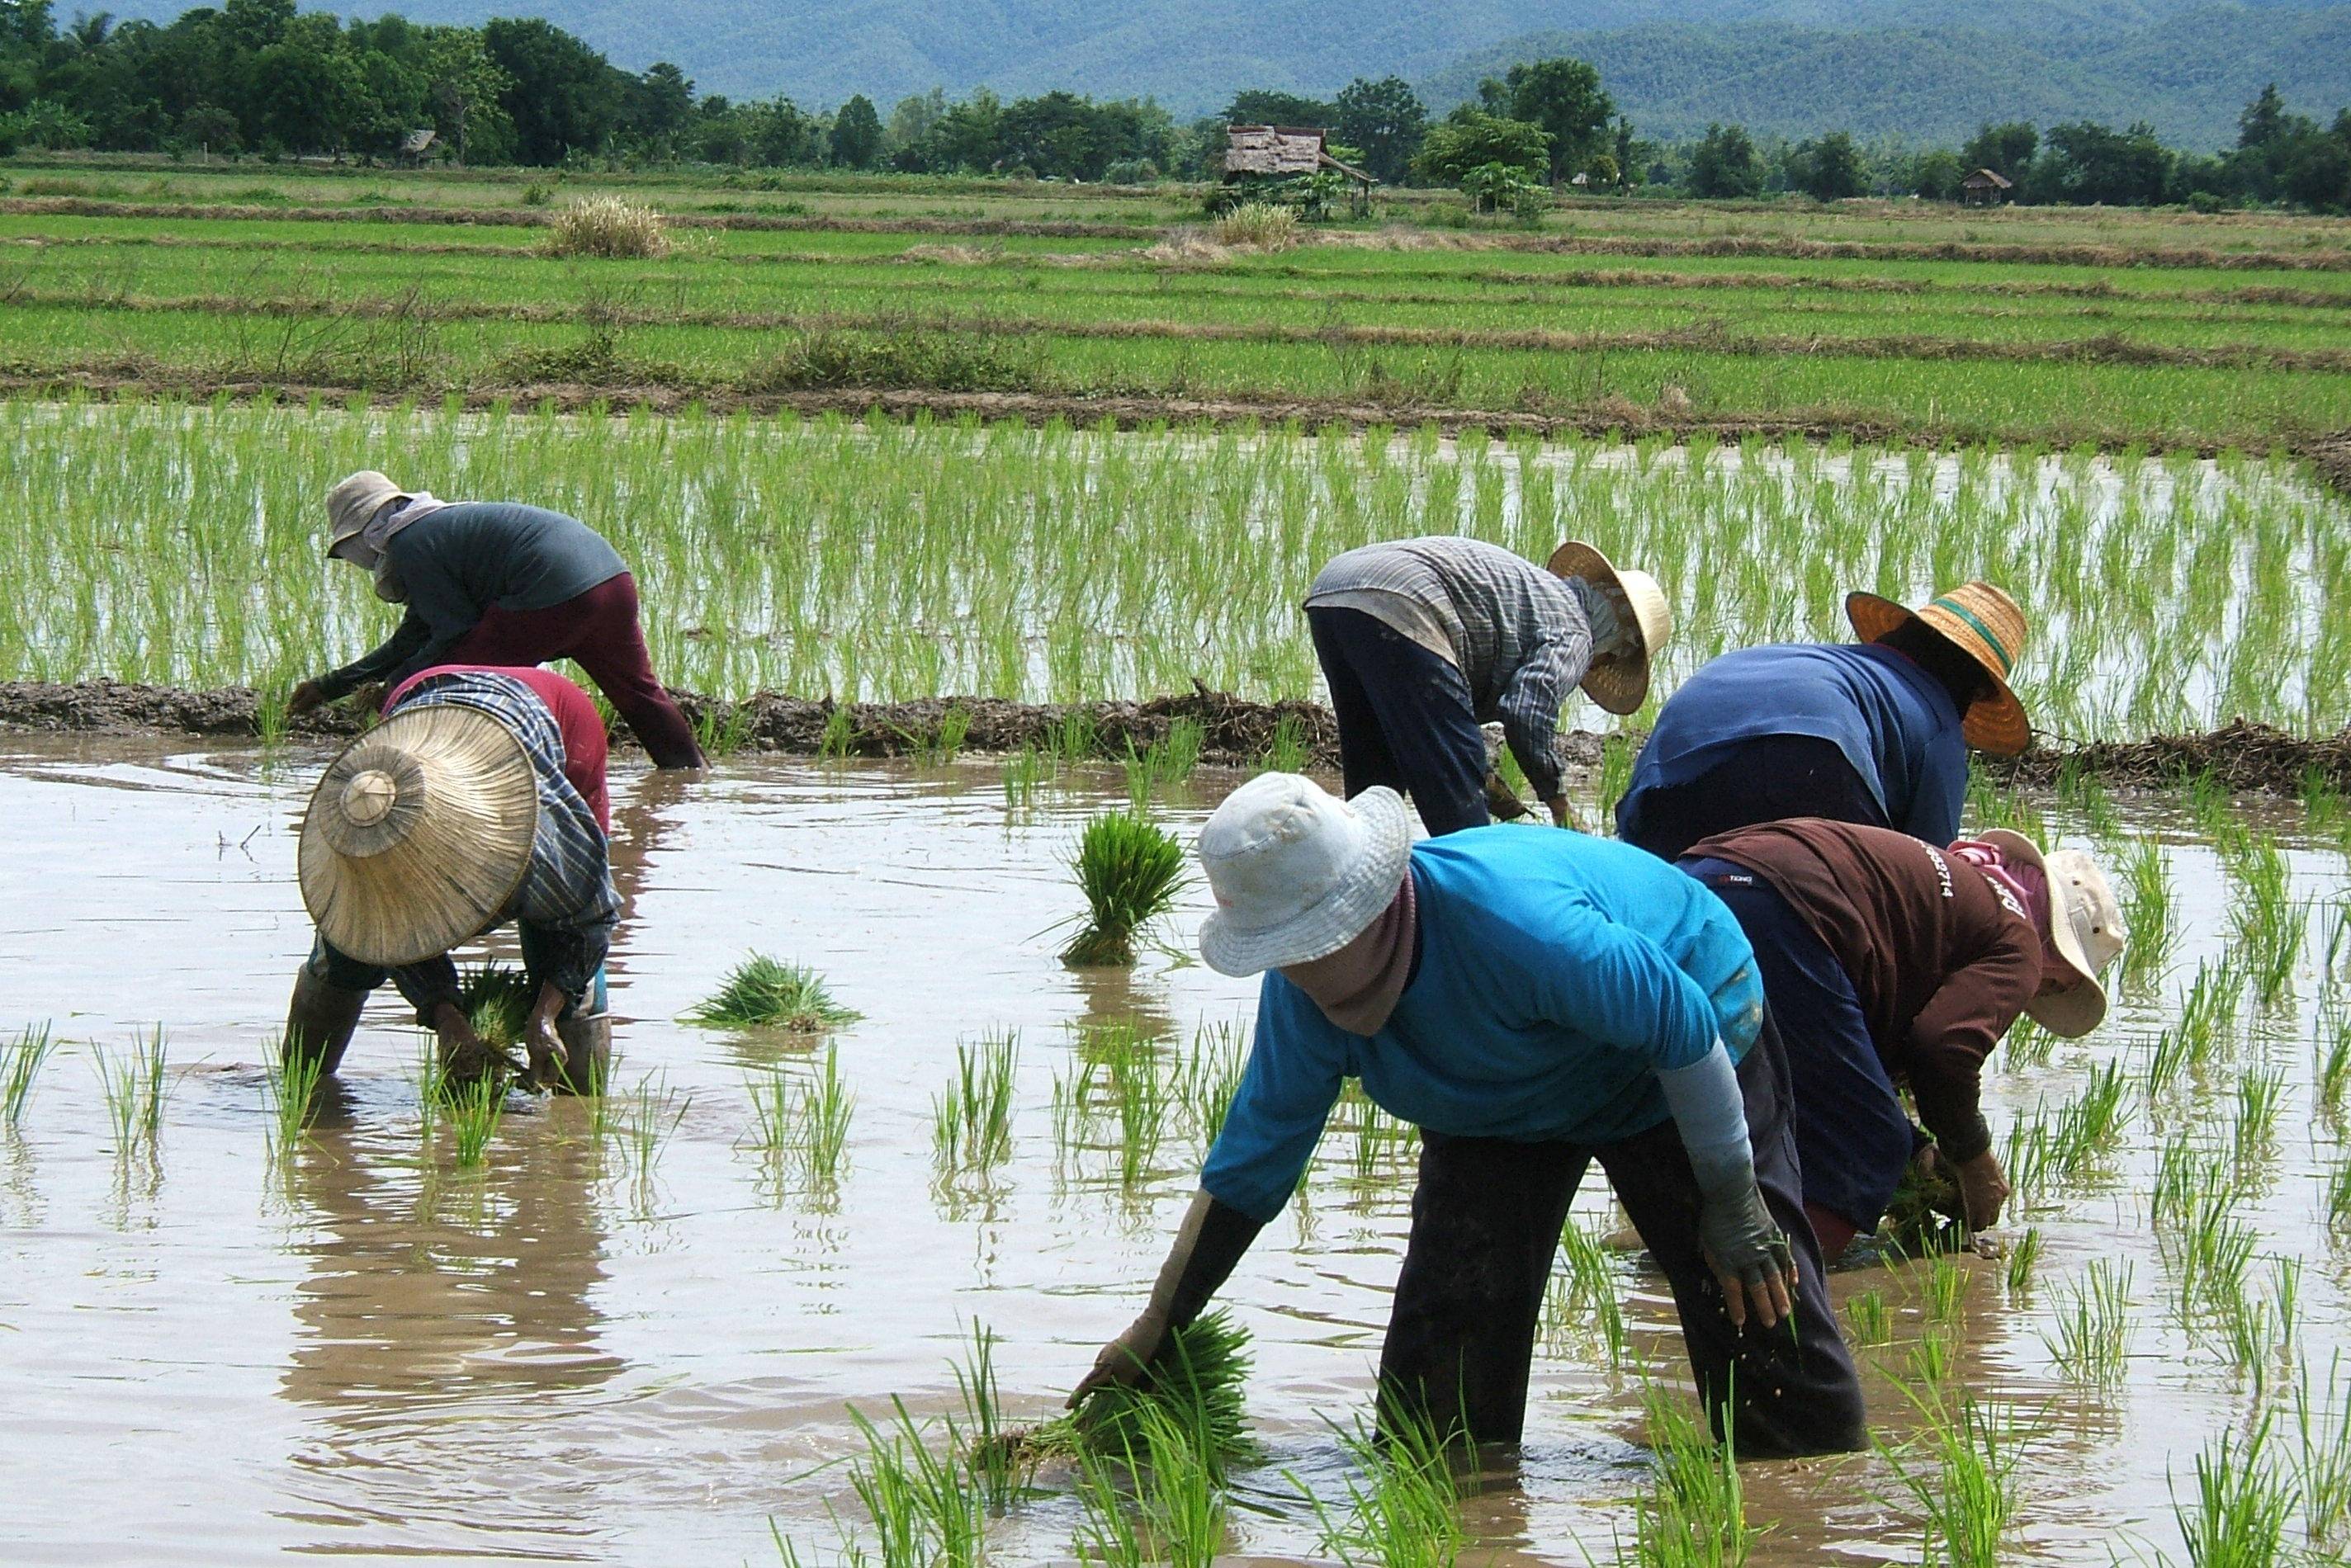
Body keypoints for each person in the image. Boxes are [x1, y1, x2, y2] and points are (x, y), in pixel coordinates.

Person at [1071, 773, 1866, 1457]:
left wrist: (1731, 1198)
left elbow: (1682, 1025)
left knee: (1756, 1306)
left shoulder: (1519, 926)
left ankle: (1809, 1499)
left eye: (1317, 942)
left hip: (1675, 1061)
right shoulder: (1302, 999)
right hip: (1496, 1109)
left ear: (1377, 900)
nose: (1303, 970)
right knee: (1436, 1396)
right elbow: (1254, 1162)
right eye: (1282, 951)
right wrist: (1159, 1322)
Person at [1678, 819, 2123, 1260]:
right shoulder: (2019, 939)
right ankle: (1765, 1284)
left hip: (1703, 875)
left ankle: (1674, 1254)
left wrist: (1918, 1156)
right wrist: (1973, 1160)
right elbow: (1943, 1050)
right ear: (2060, 963)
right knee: (1867, 1144)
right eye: (2058, 985)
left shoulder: (1957, 896)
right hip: (1784, 910)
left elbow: (1840, 1068)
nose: (2042, 993)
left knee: (1726, 1096)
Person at [280, 666, 621, 1091]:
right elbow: (389, 936)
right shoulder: (362, 816)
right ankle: (301, 1088)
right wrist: (447, 1019)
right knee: (349, 943)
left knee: (559, 944)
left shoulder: (536, 836)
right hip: (420, 717)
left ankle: (582, 1111)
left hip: (555, 721)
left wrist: (547, 1012)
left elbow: (590, 916)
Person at [287, 471, 705, 770]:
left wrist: (397, 687)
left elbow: (455, 634)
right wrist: (332, 686)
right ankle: (687, 775)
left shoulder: (412, 544)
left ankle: (463, 776)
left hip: (550, 594)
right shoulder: (432, 532)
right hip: (610, 583)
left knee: (454, 682)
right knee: (638, 694)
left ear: (363, 533)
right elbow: (414, 636)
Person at [1615, 583, 2028, 860]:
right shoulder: (1938, 723)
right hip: (1812, 754)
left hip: (1675, 756)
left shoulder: (1822, 661)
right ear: (1975, 691)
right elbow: (1929, 870)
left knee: (1665, 922)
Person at [1305, 537, 1671, 835]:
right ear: (1613, 647)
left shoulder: (1539, 595)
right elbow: (1526, 712)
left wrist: (1477, 767)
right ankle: (1465, 912)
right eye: (1606, 661)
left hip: (1334, 589)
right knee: (1462, 823)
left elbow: (1432, 713)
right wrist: (1559, 804)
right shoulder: (1576, 632)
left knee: (1374, 780)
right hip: (1406, 601)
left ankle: (1366, 904)